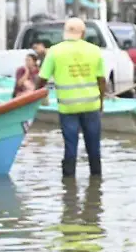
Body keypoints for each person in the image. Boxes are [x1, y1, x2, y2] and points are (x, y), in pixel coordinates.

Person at [34, 18, 106, 179]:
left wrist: (32, 97)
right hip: (91, 106)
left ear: (65, 33)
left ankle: (68, 187)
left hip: (68, 108)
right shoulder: (94, 50)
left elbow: (42, 79)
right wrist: (101, 103)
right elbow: (101, 80)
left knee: (70, 147)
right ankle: (96, 183)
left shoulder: (54, 51)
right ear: (83, 33)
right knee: (94, 147)